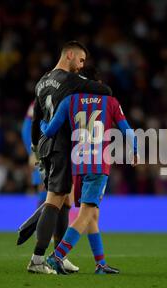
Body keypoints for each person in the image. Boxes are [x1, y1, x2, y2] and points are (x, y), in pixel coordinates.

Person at [25, 41, 112, 274]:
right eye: (81, 60)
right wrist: (88, 87)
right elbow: (106, 91)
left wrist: (35, 149)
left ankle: (59, 257)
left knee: (65, 202)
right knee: (54, 199)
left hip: (45, 146)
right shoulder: (70, 80)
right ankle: (37, 259)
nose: (81, 66)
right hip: (62, 146)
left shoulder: (42, 81)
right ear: (70, 55)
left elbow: (36, 121)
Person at [39, 74, 139, 275]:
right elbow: (126, 129)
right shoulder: (110, 102)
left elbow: (50, 131)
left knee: (93, 214)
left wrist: (41, 124)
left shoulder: (70, 101)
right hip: (98, 164)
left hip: (78, 164)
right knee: (86, 213)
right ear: (99, 85)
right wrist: (135, 149)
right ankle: (56, 256)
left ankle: (100, 264)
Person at [19, 101, 79, 273]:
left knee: (65, 198)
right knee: (50, 193)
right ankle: (41, 239)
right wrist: (33, 151)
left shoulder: (67, 93)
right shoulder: (45, 96)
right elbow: (27, 126)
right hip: (47, 152)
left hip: (62, 152)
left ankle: (59, 255)